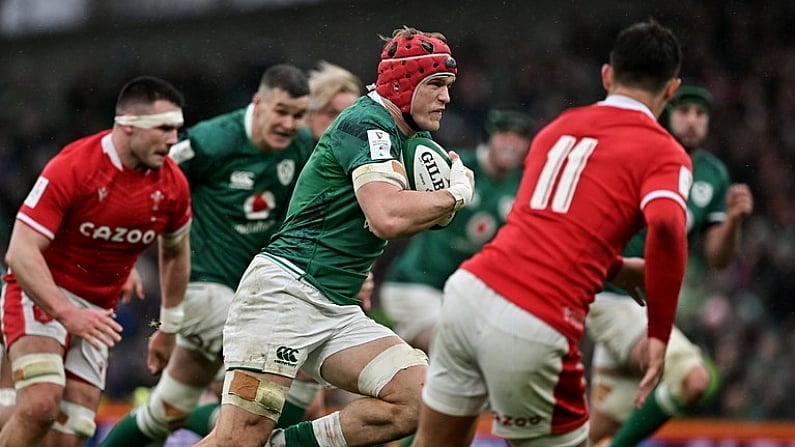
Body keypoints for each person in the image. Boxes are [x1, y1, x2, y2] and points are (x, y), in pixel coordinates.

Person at [410, 19, 691, 447]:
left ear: (607, 76)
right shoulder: (664, 152)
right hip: (537, 321)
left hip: (469, 292)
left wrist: (614, 268)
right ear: (672, 90)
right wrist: (659, 332)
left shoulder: (557, 128)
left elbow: (542, 230)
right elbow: (669, 226)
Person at [195, 25, 474, 447]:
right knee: (238, 438)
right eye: (436, 84)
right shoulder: (369, 124)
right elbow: (386, 217)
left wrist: (440, 206)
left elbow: (411, 216)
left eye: (448, 86)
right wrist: (454, 196)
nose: (446, 97)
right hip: (284, 298)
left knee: (419, 400)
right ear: (404, 84)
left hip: (336, 310)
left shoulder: (406, 136)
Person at [98, 63, 319, 447]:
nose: (289, 123)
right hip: (203, 288)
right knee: (295, 365)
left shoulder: (301, 147)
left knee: (166, 412)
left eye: (298, 115)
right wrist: (125, 253)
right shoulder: (212, 140)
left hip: (251, 292)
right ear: (258, 102)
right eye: (281, 111)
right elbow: (149, 179)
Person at [0, 76, 192, 447]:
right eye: (163, 129)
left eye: (176, 129)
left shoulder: (172, 185)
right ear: (127, 125)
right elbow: (20, 251)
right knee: (41, 404)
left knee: (72, 430)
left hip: (96, 310)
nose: (173, 139)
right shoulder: (74, 166)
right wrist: (66, 312)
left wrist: (168, 326)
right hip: (40, 294)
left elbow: (175, 254)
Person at [587, 83, 754, 446]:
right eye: (684, 111)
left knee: (597, 432)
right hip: (610, 298)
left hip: (651, 310)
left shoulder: (712, 174)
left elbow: (718, 259)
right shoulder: (641, 152)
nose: (692, 120)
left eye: (700, 114)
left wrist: (734, 222)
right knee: (693, 378)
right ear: (667, 112)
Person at [380, 108, 533, 353]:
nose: (511, 143)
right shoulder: (453, 167)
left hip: (460, 297)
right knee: (460, 352)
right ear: (489, 137)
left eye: (519, 137)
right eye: (504, 134)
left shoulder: (523, 186)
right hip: (415, 285)